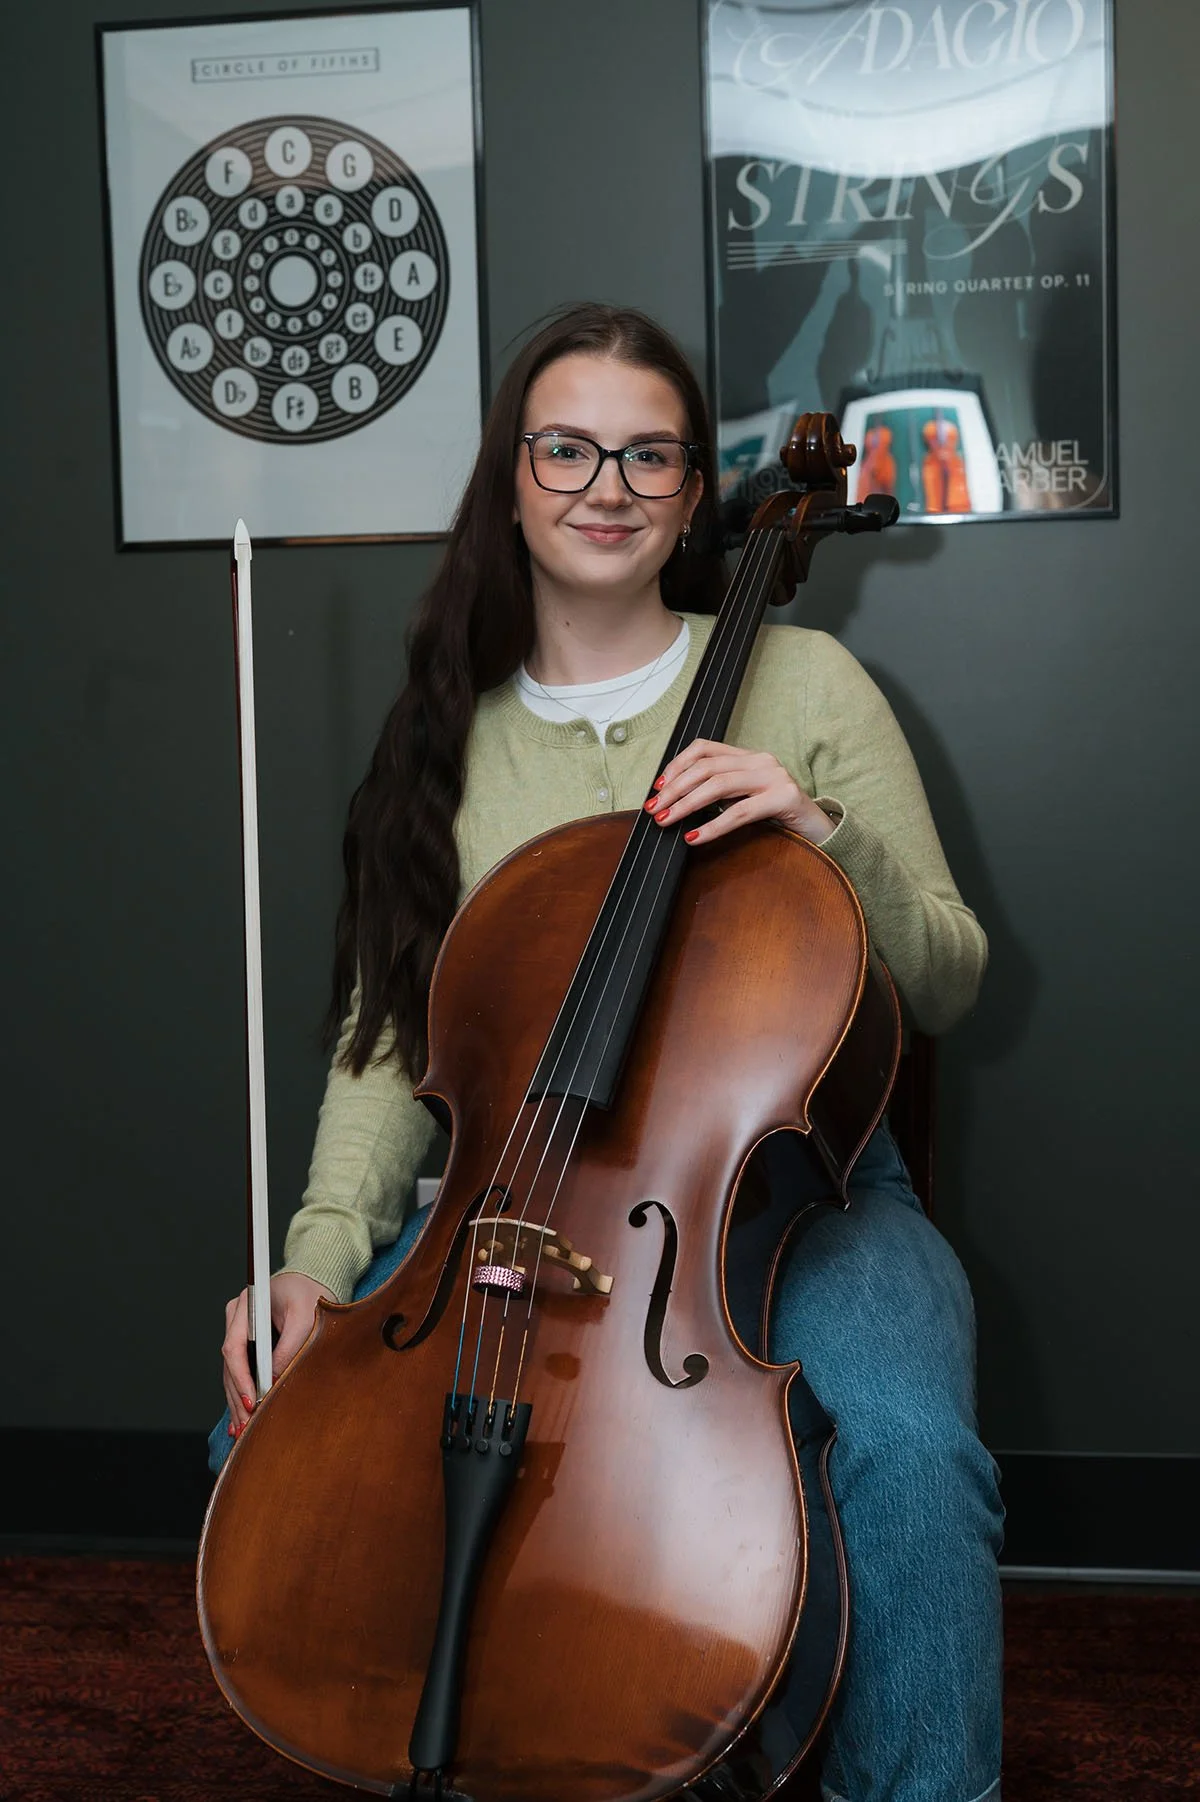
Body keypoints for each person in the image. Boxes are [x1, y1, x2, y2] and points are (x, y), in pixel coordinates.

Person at [217, 303, 1003, 1802]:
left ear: (695, 491)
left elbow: (953, 976)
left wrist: (815, 830)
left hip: (800, 1190)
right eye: (568, 447)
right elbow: (393, 1046)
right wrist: (316, 1255)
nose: (608, 483)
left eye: (651, 455)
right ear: (512, 477)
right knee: (276, 1441)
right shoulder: (447, 734)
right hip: (508, 1195)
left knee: (908, 1452)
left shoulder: (811, 688)